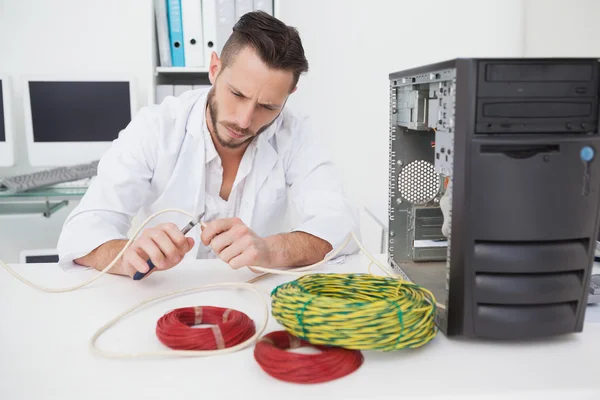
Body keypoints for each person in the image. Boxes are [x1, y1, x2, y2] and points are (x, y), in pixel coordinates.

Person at [56, 11, 360, 278]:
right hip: (160, 299)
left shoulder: (295, 133)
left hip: (255, 302)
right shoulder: (156, 127)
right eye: (237, 94)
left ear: (289, 94)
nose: (244, 120)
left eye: (267, 106)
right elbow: (80, 233)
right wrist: (126, 254)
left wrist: (271, 250)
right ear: (214, 69)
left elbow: (342, 228)